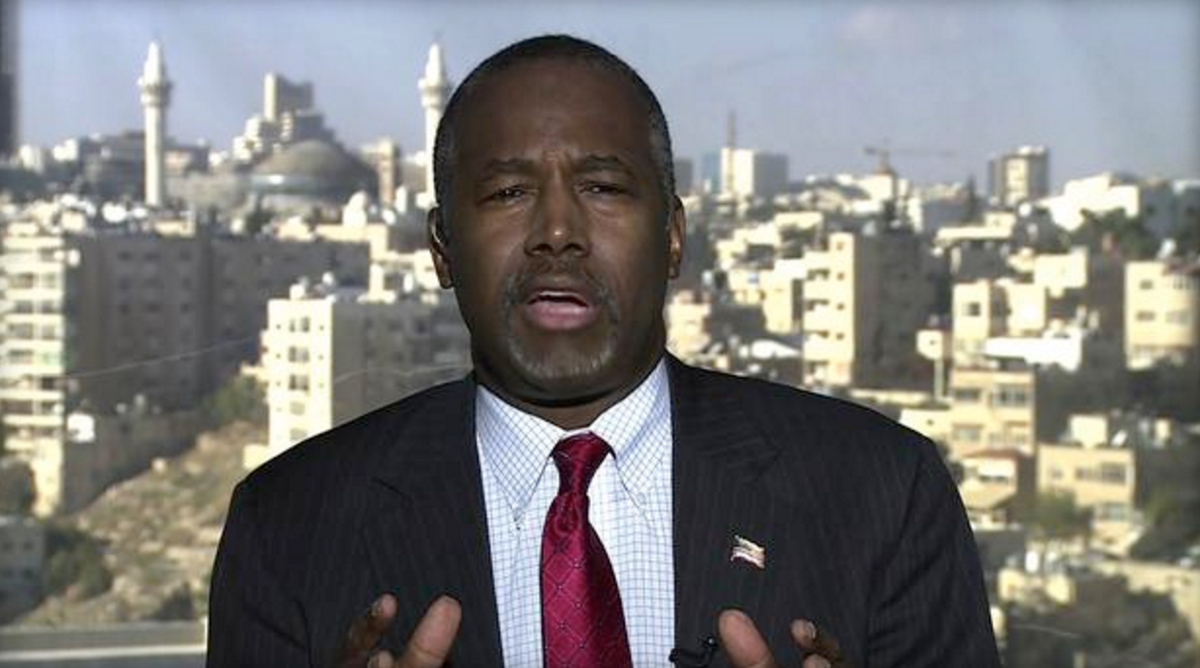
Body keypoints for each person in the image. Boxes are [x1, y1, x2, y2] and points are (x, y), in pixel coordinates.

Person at [207, 35, 1000, 668]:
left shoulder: (880, 494)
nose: (558, 231)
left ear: (675, 236)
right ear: (442, 248)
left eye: (604, 187)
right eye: (508, 192)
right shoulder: (292, 525)